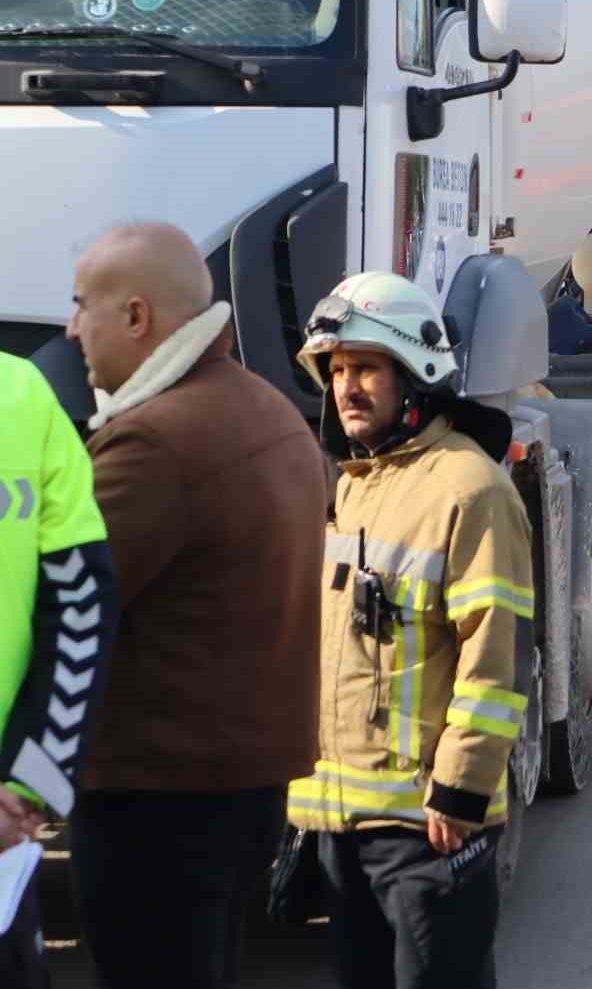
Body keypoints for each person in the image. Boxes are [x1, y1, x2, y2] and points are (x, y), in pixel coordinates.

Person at [64, 223, 325, 989]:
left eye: (83, 305)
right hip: (235, 792)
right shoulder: (263, 409)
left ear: (138, 317)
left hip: (156, 804)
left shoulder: (158, 445)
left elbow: (60, 598)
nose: (72, 326)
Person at [288, 272, 536, 989]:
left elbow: (498, 655)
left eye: (365, 368)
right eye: (336, 371)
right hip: (341, 821)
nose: (347, 388)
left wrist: (458, 793)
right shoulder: (351, 486)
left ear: (416, 375)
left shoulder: (468, 489)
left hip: (429, 827)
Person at [0, 353, 119, 989]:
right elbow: (79, 612)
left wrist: (28, 785)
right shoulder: (19, 391)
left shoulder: (20, 395)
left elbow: (80, 607)